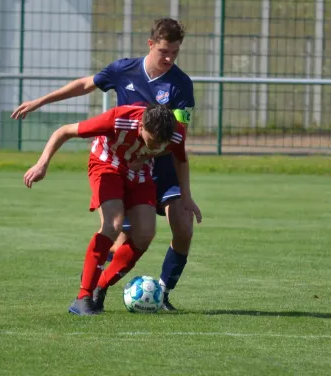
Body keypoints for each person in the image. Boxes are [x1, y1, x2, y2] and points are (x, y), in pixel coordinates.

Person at [12, 17, 195, 311]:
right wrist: (40, 102)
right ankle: (90, 292)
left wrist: (187, 195)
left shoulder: (181, 84)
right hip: (117, 159)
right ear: (151, 45)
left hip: (158, 163)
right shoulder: (124, 73)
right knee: (117, 229)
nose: (169, 58)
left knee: (180, 227)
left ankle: (162, 292)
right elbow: (85, 85)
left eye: (175, 52)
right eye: (164, 51)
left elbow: (178, 141)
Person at [22, 103, 201, 315]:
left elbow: (181, 159)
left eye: (160, 145)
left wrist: (186, 197)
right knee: (113, 224)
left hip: (140, 171)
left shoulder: (174, 133)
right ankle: (82, 298)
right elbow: (64, 131)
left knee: (144, 234)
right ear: (141, 126)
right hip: (106, 164)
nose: (155, 148)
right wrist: (42, 164)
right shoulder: (118, 120)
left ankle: (100, 286)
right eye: (152, 142)